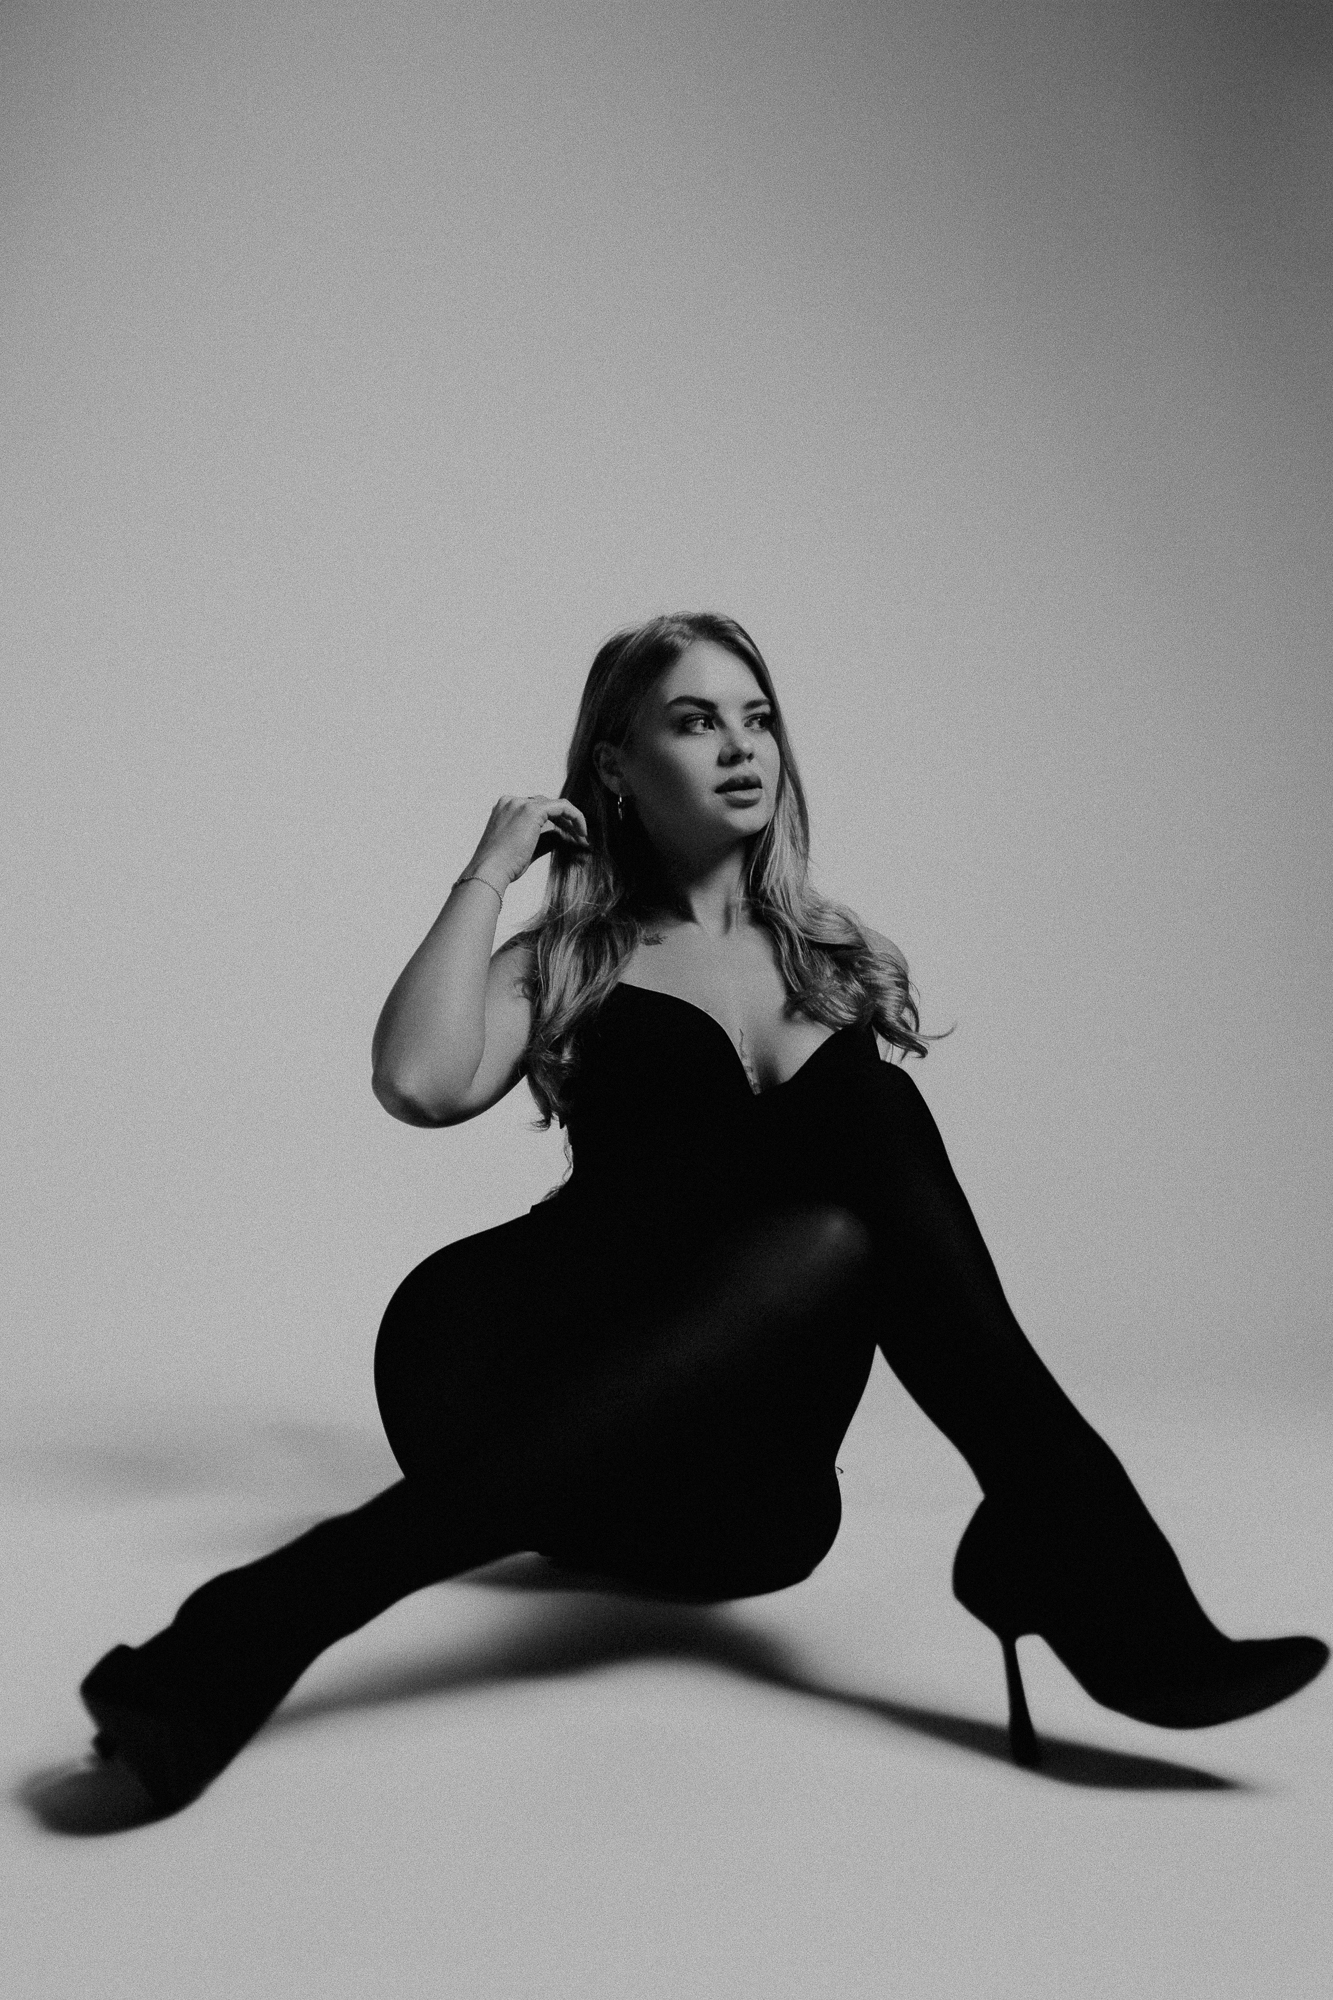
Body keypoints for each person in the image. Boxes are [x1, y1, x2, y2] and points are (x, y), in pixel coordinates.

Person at [79, 612, 1326, 1811]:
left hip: (733, 1498)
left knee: (853, 1172)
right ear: (617, 767)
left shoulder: (832, 962)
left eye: (758, 717)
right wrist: (489, 872)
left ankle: (1061, 1519)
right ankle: (1083, 1543)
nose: (741, 746)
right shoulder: (573, 954)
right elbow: (419, 1080)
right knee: (854, 1165)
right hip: (510, 1361)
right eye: (694, 719)